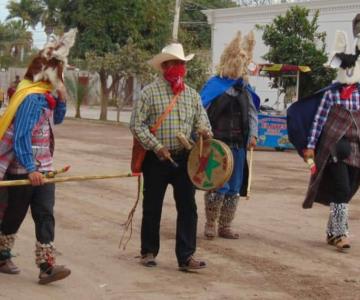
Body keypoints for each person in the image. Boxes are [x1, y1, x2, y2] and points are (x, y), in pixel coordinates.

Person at [0, 28, 77, 284]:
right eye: (61, 70)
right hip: (24, 170)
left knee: (45, 214)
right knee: (15, 215)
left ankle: (46, 266)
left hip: (44, 169)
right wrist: (30, 168)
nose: (62, 75)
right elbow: (21, 135)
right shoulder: (32, 98)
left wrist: (63, 98)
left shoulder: (45, 97)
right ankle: (1, 254)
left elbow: (57, 119)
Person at [130, 43, 212, 271]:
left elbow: (202, 121)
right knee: (152, 206)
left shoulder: (192, 95)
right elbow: (137, 125)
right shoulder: (149, 92)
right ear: (165, 66)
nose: (180, 67)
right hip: (156, 160)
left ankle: (186, 257)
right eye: (176, 63)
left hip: (185, 159)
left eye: (182, 63)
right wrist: (156, 147)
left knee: (188, 207)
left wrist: (205, 132)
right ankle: (148, 251)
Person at [288, 14, 360, 251]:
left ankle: (332, 230)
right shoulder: (331, 94)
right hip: (335, 146)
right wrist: (310, 146)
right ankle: (340, 234)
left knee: (349, 189)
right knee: (340, 188)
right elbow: (319, 121)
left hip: (356, 147)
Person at [200, 31, 260, 240]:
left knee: (234, 187)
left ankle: (225, 226)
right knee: (218, 185)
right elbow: (201, 110)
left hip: (238, 146)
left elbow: (253, 114)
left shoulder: (245, 89)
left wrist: (253, 134)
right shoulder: (214, 85)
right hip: (217, 145)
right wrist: (202, 132)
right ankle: (210, 223)